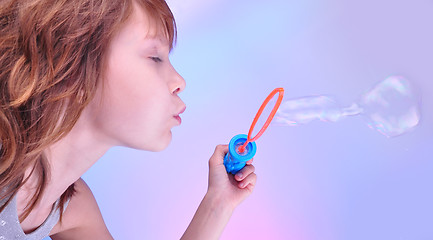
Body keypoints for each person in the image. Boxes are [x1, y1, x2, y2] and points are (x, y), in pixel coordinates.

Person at [0, 0, 257, 239]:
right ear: (70, 64)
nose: (180, 82)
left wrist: (218, 203)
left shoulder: (72, 208)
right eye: (154, 57)